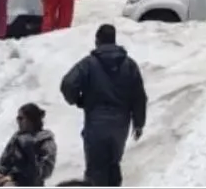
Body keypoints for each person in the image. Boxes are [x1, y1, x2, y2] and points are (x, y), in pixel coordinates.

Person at [60, 25, 148, 188]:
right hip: (120, 125)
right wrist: (139, 123)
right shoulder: (129, 65)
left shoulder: (88, 64)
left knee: (95, 168)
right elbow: (139, 96)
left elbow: (68, 84)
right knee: (113, 164)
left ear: (97, 40)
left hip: (96, 123)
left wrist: (78, 100)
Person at [0, 103, 57, 187]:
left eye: (21, 118)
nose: (18, 121)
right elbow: (5, 162)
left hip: (29, 183)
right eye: (17, 118)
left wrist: (29, 153)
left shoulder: (45, 141)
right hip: (9, 178)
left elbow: (45, 172)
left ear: (31, 120)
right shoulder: (17, 137)